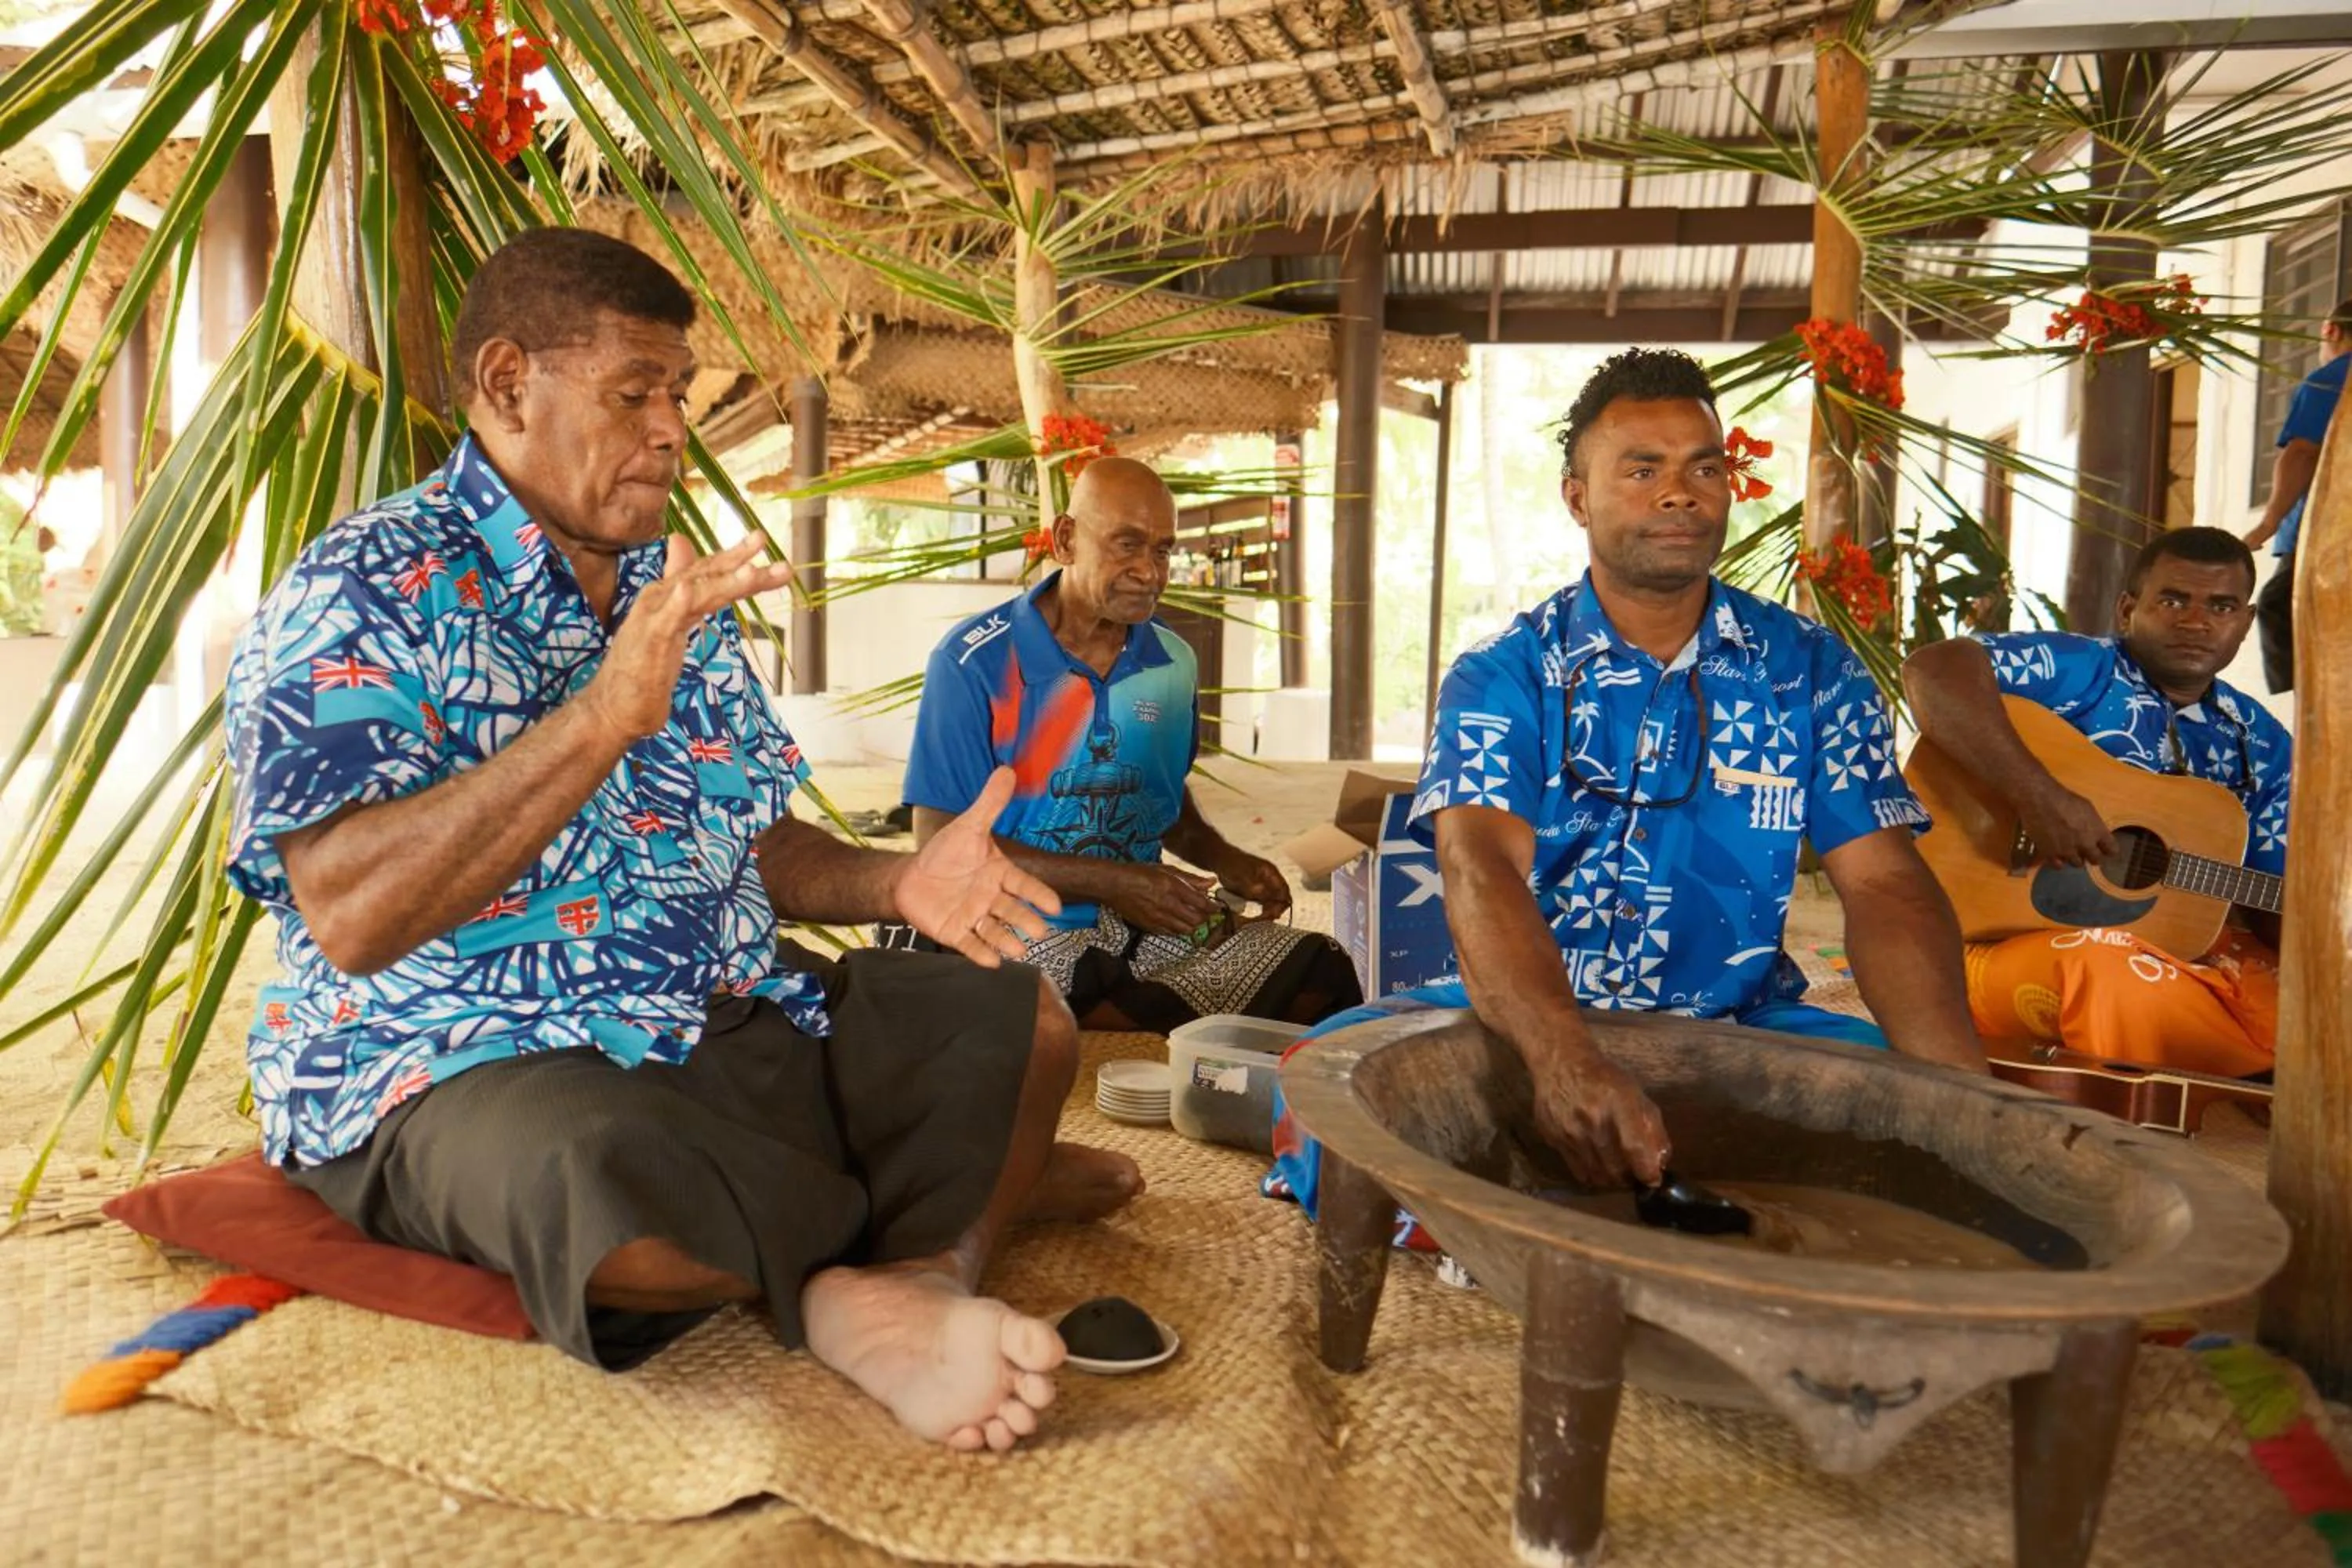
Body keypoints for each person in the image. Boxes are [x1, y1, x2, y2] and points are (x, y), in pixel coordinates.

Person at [223, 227, 1141, 1454]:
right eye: (633, 393)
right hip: (470, 1048)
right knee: (602, 1195)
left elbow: (754, 836)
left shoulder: (668, 588)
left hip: (723, 1013)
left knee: (1024, 1023)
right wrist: (603, 717)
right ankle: (919, 1231)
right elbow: (350, 911)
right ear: (508, 386)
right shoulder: (363, 588)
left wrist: (899, 880)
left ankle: (916, 1274)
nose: (671, 428)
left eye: (677, 393)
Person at [1268, 348, 1986, 1216]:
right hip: (1521, 1025)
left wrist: (1966, 1103)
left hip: (1737, 1028)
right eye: (1642, 469)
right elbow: (1479, 869)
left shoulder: (1812, 669)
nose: (1679, 492)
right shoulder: (1505, 675)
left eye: (1704, 467)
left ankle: (1572, 1205)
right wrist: (1564, 1063)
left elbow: (1883, 883)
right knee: (1327, 1082)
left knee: (1902, 1111)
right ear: (1578, 497)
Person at [897, 456, 1362, 1032]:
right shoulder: (975, 661)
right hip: (1017, 925)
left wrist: (1223, 858)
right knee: (1028, 978)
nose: (1149, 571)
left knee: (1322, 967)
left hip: (1142, 931)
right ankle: (1130, 1010)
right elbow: (938, 839)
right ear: (1066, 540)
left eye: (1163, 550)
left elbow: (1161, 800)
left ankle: (1127, 1007)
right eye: (1126, 545)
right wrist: (1118, 883)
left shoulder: (1172, 663)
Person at [1903, 528, 2292, 1078]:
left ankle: (2232, 1067)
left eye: (2222, 606)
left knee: (2315, 998)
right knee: (2102, 967)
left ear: (2246, 623)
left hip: (2164, 955)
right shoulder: (2083, 669)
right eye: (2174, 599)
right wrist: (2039, 797)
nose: (2196, 621)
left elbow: (2277, 897)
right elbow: (1933, 671)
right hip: (1979, 940)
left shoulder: (2262, 741)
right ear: (2128, 608)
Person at [2244, 296, 2350, 693]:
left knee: (2281, 606)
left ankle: (2313, 723)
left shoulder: (2334, 378)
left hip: (2329, 528)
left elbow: (2302, 452)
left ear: (2331, 330)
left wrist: (2267, 525)